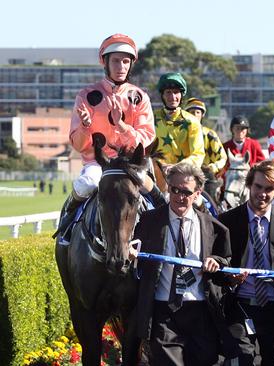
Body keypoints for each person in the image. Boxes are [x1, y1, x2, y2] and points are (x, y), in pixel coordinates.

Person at [54, 33, 157, 243]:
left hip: (132, 165)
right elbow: (78, 144)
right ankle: (65, 227)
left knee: (158, 196)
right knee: (87, 183)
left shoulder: (140, 97)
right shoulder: (86, 95)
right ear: (105, 62)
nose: (121, 66)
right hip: (98, 164)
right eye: (116, 60)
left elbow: (146, 138)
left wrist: (122, 125)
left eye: (126, 61)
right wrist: (84, 126)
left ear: (131, 65)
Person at [133, 162, 231, 365]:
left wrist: (217, 262)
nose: (179, 196)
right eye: (174, 190)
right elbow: (133, 258)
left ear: (197, 194)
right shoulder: (149, 221)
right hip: (163, 311)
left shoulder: (213, 227)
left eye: (186, 192)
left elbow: (225, 261)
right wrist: (131, 255)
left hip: (200, 311)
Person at [217, 160, 274, 365]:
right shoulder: (228, 221)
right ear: (250, 184)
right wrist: (229, 278)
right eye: (258, 186)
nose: (263, 193)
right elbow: (219, 265)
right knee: (245, 358)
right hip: (240, 305)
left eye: (269, 189)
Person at [153, 73, 205, 170]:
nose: (172, 97)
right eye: (168, 92)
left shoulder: (192, 121)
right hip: (156, 173)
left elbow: (198, 154)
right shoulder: (151, 118)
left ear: (181, 95)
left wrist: (177, 167)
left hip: (183, 172)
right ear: (162, 95)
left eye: (176, 92)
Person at [185, 97, 228, 177]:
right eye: (192, 112)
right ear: (186, 115)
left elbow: (222, 158)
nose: (195, 115)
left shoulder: (210, 134)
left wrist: (213, 167)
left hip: (205, 177)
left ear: (202, 115)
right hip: (184, 174)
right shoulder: (181, 133)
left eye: (198, 112)